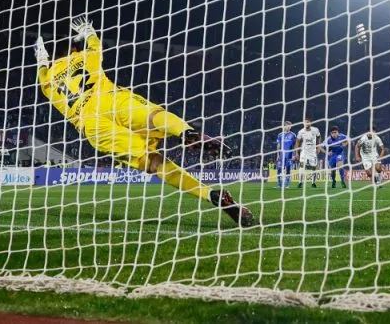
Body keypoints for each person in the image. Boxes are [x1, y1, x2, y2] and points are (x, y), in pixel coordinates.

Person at [34, 16, 253, 227]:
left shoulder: (48, 83)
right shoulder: (83, 56)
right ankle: (186, 133)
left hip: (91, 124)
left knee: (153, 162)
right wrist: (88, 32)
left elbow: (42, 75)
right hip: (110, 98)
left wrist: (42, 60)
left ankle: (210, 194)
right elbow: (95, 45)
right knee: (153, 117)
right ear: (73, 49)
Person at [294, 118, 322, 189]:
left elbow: (319, 137)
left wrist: (318, 147)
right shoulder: (301, 132)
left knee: (314, 168)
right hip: (304, 152)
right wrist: (297, 152)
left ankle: (313, 183)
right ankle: (300, 182)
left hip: (313, 152)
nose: (306, 124)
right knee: (301, 166)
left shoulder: (315, 130)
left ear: (310, 123)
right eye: (305, 122)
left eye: (307, 122)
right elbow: (297, 142)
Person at [275, 122, 296, 189]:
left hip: (289, 154)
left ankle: (287, 184)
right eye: (286, 126)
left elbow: (295, 146)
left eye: (289, 126)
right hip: (281, 154)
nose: (288, 127)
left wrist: (294, 154)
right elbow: (278, 145)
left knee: (288, 169)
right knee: (279, 169)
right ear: (284, 126)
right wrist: (277, 155)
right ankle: (279, 184)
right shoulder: (280, 135)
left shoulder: (293, 135)